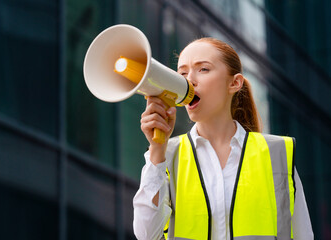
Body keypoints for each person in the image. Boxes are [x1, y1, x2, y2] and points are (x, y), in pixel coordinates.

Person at [133, 37, 314, 240]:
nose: (188, 80)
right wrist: (157, 149)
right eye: (182, 73)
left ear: (234, 83)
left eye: (203, 69)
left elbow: (303, 234)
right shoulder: (166, 156)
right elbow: (146, 235)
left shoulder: (277, 153)